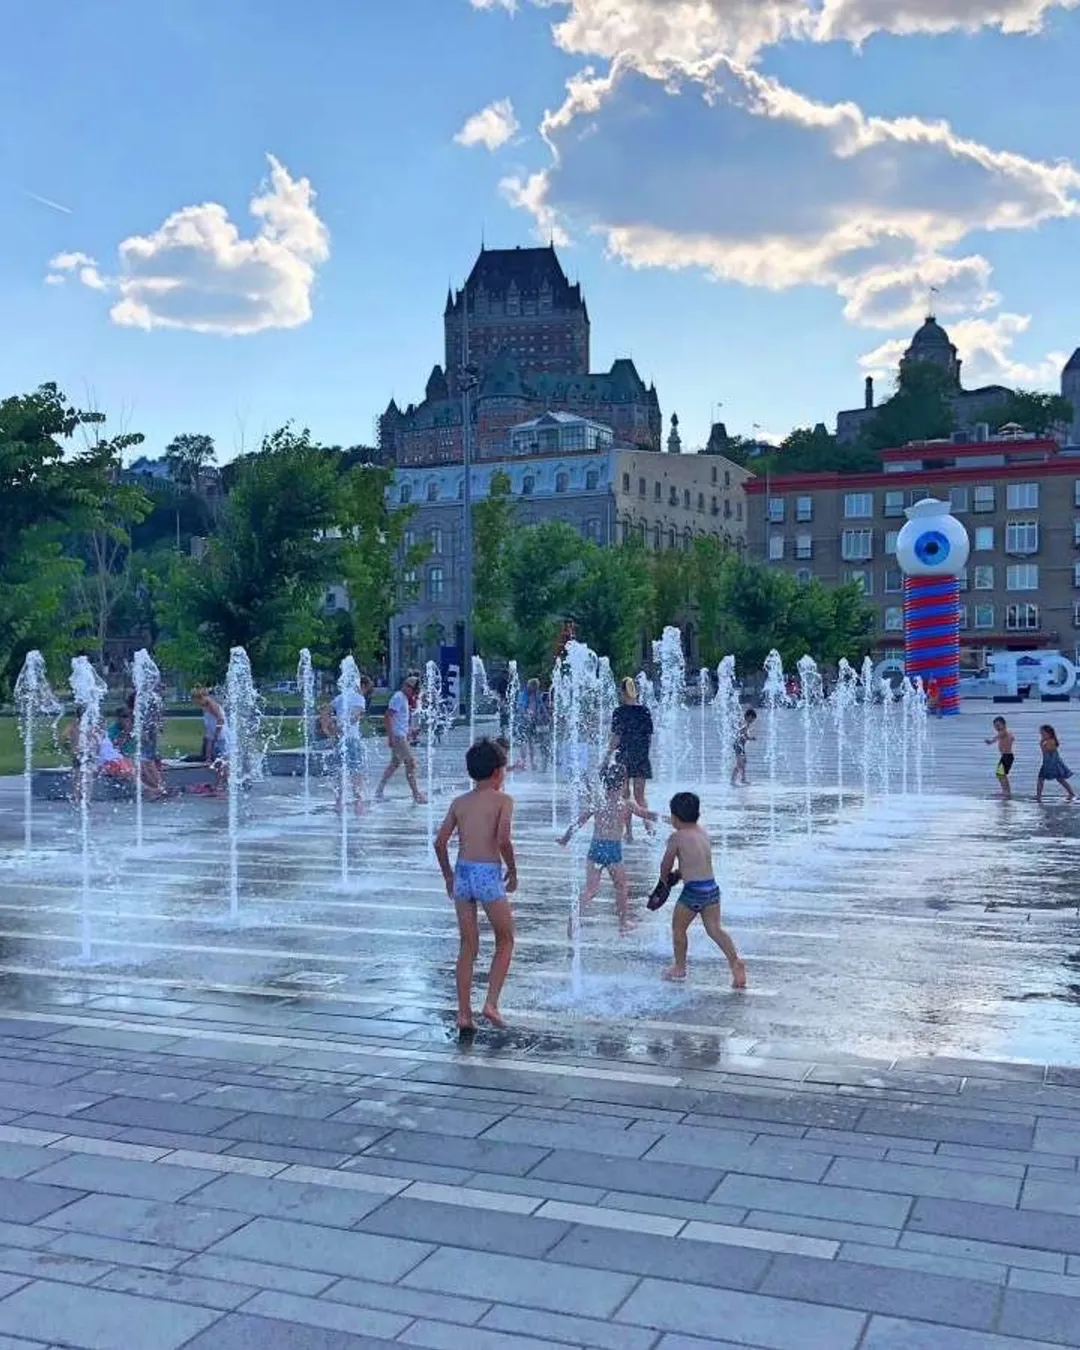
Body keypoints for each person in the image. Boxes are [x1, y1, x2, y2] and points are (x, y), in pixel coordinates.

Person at [433, 737, 517, 1033]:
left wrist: (447, 876)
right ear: (498, 772)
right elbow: (504, 840)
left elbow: (440, 842)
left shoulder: (459, 803)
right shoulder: (503, 800)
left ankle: (463, 1014)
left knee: (468, 945)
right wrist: (513, 871)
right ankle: (491, 1003)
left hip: (463, 873)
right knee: (505, 939)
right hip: (487, 873)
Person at [655, 791, 746, 988]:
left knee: (678, 929)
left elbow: (665, 864)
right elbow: (697, 862)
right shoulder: (703, 832)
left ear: (675, 818)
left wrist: (664, 881)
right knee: (715, 929)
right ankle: (735, 961)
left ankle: (679, 967)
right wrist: (681, 873)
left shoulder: (676, 838)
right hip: (711, 888)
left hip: (693, 892)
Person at [559, 764, 657, 934]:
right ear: (624, 784)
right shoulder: (626, 804)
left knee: (591, 889)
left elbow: (578, 822)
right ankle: (623, 922)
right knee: (621, 886)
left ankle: (575, 916)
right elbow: (646, 814)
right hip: (613, 850)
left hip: (596, 848)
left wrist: (564, 839)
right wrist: (671, 819)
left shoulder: (598, 803)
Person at [603, 677, 654, 839]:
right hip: (641, 757)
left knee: (624, 796)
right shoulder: (644, 711)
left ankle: (629, 833)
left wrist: (607, 757)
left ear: (623, 692)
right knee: (640, 796)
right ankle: (649, 829)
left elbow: (616, 737)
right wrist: (644, 754)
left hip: (624, 757)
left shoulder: (619, 712)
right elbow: (649, 737)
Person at [375, 674, 426, 804]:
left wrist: (410, 731)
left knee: (394, 764)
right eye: (406, 685)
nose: (407, 688)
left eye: (412, 688)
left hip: (401, 736)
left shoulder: (403, 698)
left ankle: (379, 790)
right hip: (398, 737)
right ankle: (416, 794)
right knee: (410, 762)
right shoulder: (398, 697)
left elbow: (399, 720)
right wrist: (391, 736)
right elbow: (388, 716)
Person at [330, 675, 373, 813]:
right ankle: (358, 802)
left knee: (340, 770)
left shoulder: (341, 697)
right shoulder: (359, 698)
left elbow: (324, 711)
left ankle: (338, 802)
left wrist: (331, 729)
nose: (365, 693)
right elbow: (355, 717)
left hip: (340, 740)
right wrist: (344, 726)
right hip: (352, 739)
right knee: (356, 771)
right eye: (367, 689)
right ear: (363, 686)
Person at [110, 705, 167, 799]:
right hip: (121, 757)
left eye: (129, 716)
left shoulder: (135, 727)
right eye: (124, 716)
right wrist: (126, 733)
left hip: (133, 756)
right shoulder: (113, 729)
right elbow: (116, 747)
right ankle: (154, 790)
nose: (127, 719)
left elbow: (146, 742)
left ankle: (160, 788)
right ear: (118, 718)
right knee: (141, 764)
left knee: (149, 762)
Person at [1037, 724, 1075, 803]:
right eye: (1041, 734)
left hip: (1052, 763)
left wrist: (1041, 745)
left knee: (1057, 779)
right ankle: (1071, 793)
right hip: (1048, 762)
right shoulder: (1048, 741)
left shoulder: (1051, 742)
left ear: (1049, 734)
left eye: (1043, 734)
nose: (1042, 735)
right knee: (1043, 779)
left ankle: (1071, 793)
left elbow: (1046, 752)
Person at [985, 716, 1015, 799]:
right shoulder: (1006, 733)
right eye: (995, 726)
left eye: (998, 725)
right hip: (1006, 756)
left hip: (1007, 756)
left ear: (1004, 724)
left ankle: (1006, 791)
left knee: (1000, 773)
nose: (997, 727)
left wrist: (990, 742)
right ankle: (1007, 791)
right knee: (1002, 774)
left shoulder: (1004, 732)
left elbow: (998, 737)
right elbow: (1011, 738)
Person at [731, 708, 757, 786]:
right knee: (739, 763)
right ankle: (733, 780)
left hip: (741, 745)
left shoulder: (745, 723)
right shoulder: (743, 723)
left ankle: (743, 779)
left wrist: (750, 738)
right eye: (752, 719)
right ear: (749, 716)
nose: (752, 721)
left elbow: (744, 735)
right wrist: (749, 738)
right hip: (738, 745)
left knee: (744, 762)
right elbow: (741, 734)